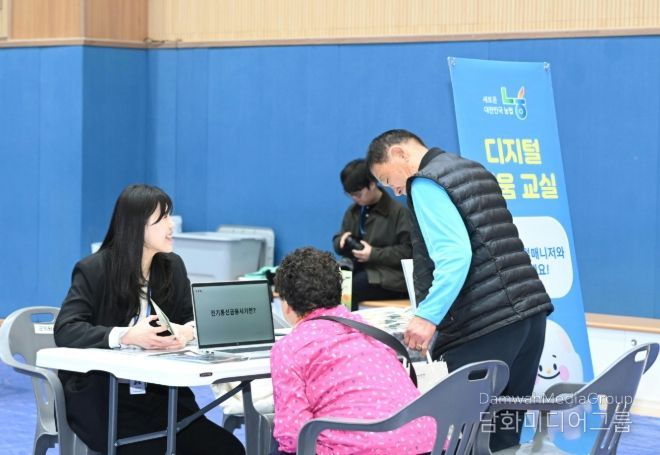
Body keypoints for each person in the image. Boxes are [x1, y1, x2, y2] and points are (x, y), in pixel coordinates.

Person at [366, 130, 554, 452]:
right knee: (503, 434)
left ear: (399, 153)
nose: (394, 190)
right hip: (529, 314)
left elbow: (455, 255)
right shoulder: (473, 169)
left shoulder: (426, 182)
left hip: (483, 324)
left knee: (461, 437)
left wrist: (428, 315)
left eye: (387, 179)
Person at [54, 184, 245, 455]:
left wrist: (186, 331)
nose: (171, 225)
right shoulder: (94, 269)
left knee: (228, 449)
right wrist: (126, 336)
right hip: (106, 398)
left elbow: (193, 319)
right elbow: (66, 328)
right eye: (163, 218)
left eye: (170, 216)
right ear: (136, 225)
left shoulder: (172, 266)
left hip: (162, 396)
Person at [270, 247, 435, 455]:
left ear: (286, 305)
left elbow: (293, 437)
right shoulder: (372, 334)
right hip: (430, 444)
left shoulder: (288, 349)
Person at [332, 159, 412, 310]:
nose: (355, 198)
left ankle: (350, 324)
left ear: (372, 183)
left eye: (358, 194)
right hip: (361, 270)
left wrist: (373, 254)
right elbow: (339, 237)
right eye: (350, 195)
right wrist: (341, 242)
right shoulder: (353, 211)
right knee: (333, 283)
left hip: (391, 277)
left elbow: (408, 252)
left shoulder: (398, 213)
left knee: (351, 287)